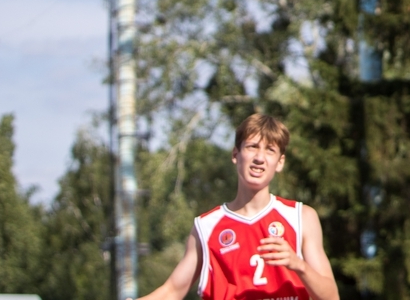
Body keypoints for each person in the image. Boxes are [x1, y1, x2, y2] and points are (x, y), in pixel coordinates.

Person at [137, 114, 339, 300]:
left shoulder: (300, 217)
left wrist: (299, 265)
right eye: (252, 147)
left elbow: (331, 297)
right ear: (236, 154)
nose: (259, 158)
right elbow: (172, 290)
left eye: (270, 150)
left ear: (279, 162)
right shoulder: (206, 227)